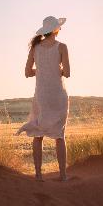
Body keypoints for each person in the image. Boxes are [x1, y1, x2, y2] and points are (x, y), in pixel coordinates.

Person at [15, 15, 71, 181]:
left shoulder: (35, 48)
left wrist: (41, 70)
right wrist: (55, 70)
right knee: (60, 136)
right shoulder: (62, 47)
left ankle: (38, 175)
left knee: (38, 134)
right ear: (55, 30)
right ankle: (63, 176)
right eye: (59, 27)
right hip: (58, 96)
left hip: (41, 96)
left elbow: (27, 72)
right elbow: (67, 73)